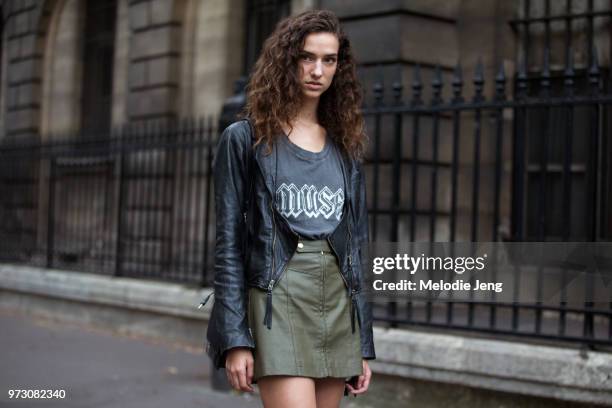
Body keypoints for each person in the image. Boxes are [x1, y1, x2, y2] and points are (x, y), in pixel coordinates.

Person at [204, 9, 375, 408]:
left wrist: (363, 342)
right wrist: (235, 338)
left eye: (328, 60)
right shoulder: (245, 139)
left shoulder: (345, 148)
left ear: (339, 68)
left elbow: (355, 250)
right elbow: (228, 244)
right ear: (287, 61)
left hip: (336, 305)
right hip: (276, 302)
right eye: (306, 57)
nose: (317, 70)